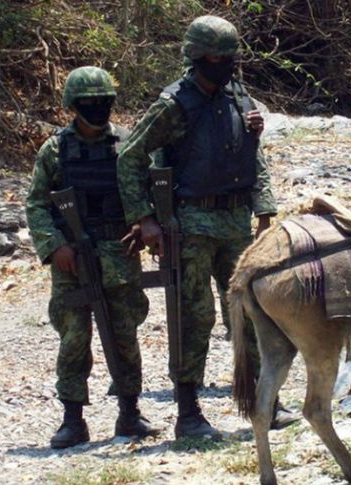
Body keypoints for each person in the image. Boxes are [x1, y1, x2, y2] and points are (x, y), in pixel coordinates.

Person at [116, 15, 298, 439]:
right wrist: (144, 219)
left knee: (254, 312)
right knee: (194, 316)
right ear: (196, 57)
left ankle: (264, 402)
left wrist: (265, 210)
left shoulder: (238, 95)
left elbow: (254, 156)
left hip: (236, 220)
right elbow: (130, 158)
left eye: (229, 57)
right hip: (190, 223)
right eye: (215, 57)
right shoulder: (174, 103)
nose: (223, 65)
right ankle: (188, 413)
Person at [25, 66, 158, 449]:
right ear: (73, 106)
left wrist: (144, 224)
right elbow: (36, 204)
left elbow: (144, 191)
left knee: (125, 332)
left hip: (119, 250)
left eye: (104, 102)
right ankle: (72, 419)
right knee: (73, 336)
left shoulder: (126, 144)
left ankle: (130, 413)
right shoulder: (55, 149)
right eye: (89, 103)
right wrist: (54, 245)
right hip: (73, 258)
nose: (98, 108)